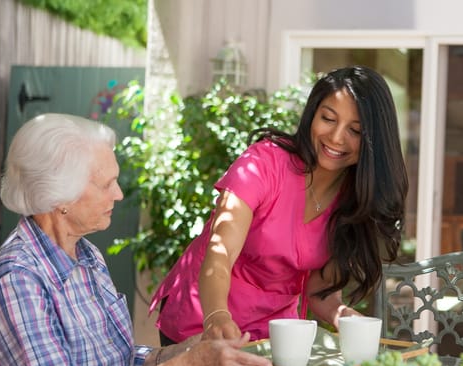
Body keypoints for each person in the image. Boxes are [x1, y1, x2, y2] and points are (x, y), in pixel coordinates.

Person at [0, 113, 276, 366]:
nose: (119, 194)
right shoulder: (19, 280)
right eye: (107, 184)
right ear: (59, 196)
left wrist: (191, 351)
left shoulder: (87, 256)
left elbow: (116, 364)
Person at [150, 65, 409, 345]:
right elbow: (220, 254)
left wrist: (346, 317)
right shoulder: (263, 164)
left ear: (374, 142)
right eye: (328, 119)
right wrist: (216, 316)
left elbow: (319, 292)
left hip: (272, 331)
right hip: (204, 317)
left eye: (355, 130)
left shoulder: (353, 198)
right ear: (313, 114)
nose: (336, 137)